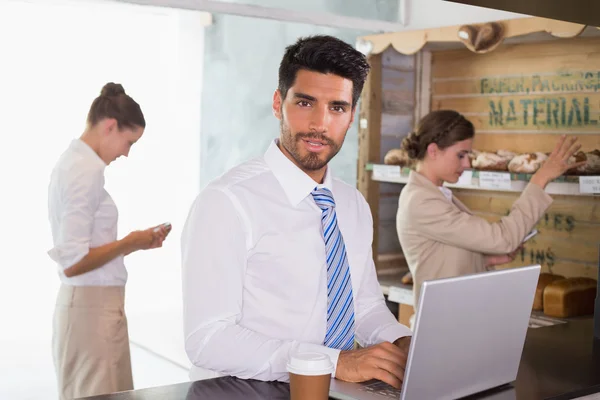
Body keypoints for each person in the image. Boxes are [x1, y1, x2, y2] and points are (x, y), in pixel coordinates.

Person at [181, 35, 412, 390]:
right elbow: (208, 339)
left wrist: (402, 342)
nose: (320, 123)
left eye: (337, 107)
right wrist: (334, 363)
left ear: (351, 115)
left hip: (330, 390)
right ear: (278, 103)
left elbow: (363, 307)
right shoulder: (227, 202)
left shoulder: (352, 205)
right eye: (305, 102)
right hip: (244, 391)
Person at [47, 82, 171, 400]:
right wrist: (130, 241)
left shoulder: (75, 164)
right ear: (110, 126)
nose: (126, 153)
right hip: (91, 313)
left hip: (91, 311)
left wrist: (136, 243)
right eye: (128, 142)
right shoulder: (83, 170)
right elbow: (74, 261)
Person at [396, 109, 585, 312]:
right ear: (433, 151)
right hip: (446, 324)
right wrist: (540, 179)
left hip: (456, 319)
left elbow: (440, 256)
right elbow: (503, 239)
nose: (467, 164)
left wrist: (487, 259)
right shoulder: (422, 202)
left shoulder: (434, 194)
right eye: (460, 155)